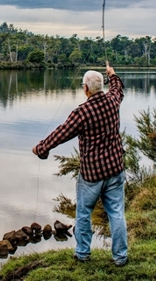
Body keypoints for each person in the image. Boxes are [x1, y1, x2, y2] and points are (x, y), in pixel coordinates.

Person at [32, 62, 128, 266]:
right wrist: (113, 74)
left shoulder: (82, 112)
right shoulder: (112, 101)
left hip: (92, 175)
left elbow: (61, 133)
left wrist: (42, 148)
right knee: (117, 214)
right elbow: (118, 88)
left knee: (84, 214)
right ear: (100, 86)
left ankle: (83, 253)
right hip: (115, 170)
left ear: (85, 88)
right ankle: (120, 257)